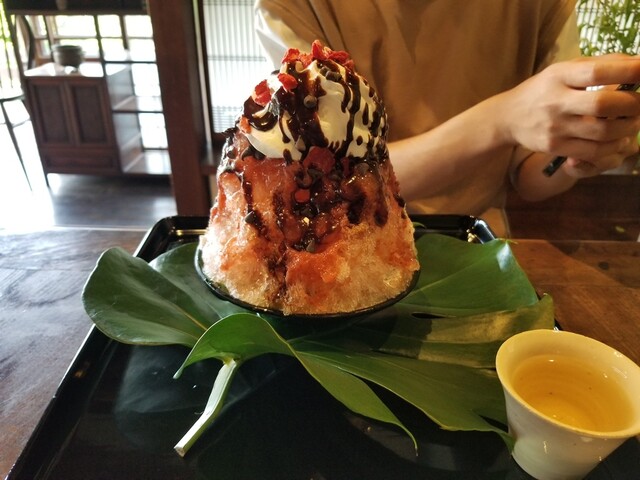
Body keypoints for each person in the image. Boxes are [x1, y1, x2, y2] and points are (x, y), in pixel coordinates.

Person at [253, 0, 640, 236]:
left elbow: (531, 178)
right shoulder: (295, 5)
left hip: (477, 241)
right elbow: (328, 180)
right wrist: (502, 118)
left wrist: (580, 148)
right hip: (346, 239)